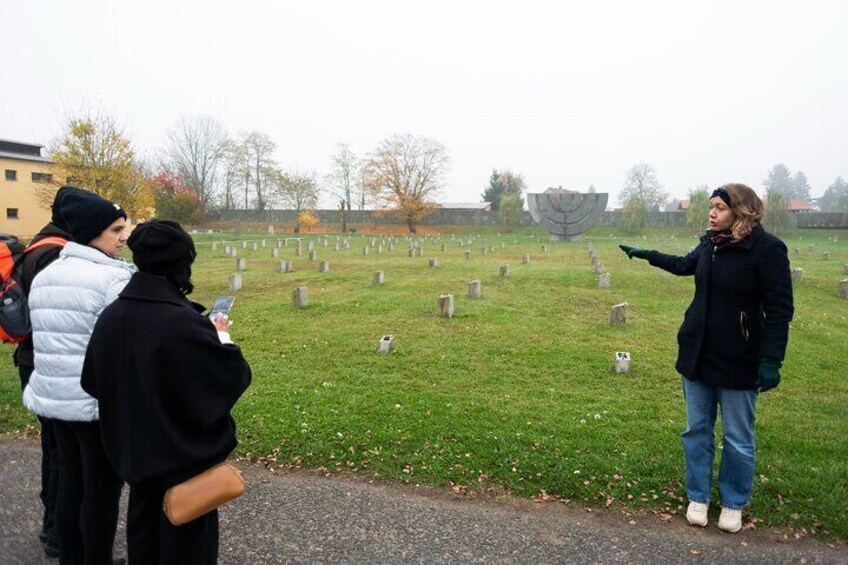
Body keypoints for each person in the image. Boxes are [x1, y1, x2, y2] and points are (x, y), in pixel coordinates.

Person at [618, 183, 793, 533]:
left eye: (719, 207)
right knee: (696, 431)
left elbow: (779, 309)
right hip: (698, 354)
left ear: (741, 211)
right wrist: (646, 253)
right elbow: (684, 265)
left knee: (738, 438)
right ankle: (697, 496)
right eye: (711, 207)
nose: (711, 213)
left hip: (741, 359)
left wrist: (772, 359)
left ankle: (733, 503)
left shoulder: (767, 249)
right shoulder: (710, 245)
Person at [81, 219, 251, 564]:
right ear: (182, 265)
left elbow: (92, 381)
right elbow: (231, 377)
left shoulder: (112, 316)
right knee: (187, 552)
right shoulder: (183, 324)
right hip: (183, 469)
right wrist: (220, 339)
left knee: (144, 549)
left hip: (135, 463)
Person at [23, 187, 135, 564]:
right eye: (116, 230)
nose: (124, 237)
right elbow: (124, 345)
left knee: (70, 482)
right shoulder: (110, 280)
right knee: (101, 491)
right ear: (92, 232)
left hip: (55, 399)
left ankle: (72, 557)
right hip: (92, 404)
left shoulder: (49, 274)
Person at [12, 187, 74, 558]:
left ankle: (55, 527)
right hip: (43, 360)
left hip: (33, 358)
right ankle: (57, 531)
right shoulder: (53, 252)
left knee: (56, 447)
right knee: (61, 452)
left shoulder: (40, 245)